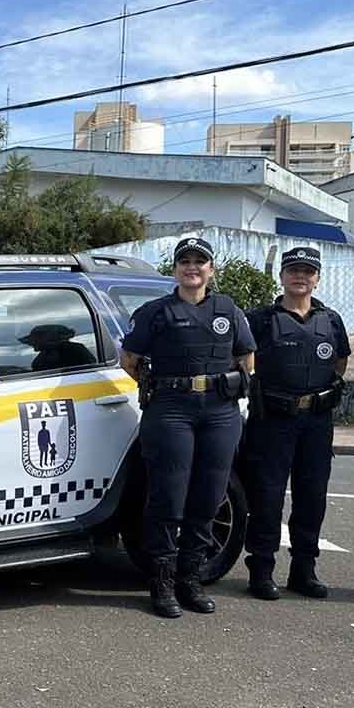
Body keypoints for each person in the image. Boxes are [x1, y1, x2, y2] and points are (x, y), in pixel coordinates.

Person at [121, 237, 256, 618]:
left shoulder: (227, 309)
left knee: (209, 496)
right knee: (168, 496)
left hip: (220, 411)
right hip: (171, 409)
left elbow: (246, 354)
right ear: (175, 269)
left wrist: (235, 383)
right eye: (185, 262)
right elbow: (129, 359)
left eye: (200, 261)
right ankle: (161, 582)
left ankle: (190, 579)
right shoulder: (156, 312)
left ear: (211, 269)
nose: (192, 268)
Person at [242, 247, 351, 601]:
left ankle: (304, 570)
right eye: (293, 270)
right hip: (272, 419)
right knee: (267, 497)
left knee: (312, 497)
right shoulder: (259, 318)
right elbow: (242, 360)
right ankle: (261, 570)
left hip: (317, 421)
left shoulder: (331, 319)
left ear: (317, 277)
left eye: (307, 271)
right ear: (282, 276)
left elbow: (339, 363)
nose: (300, 277)